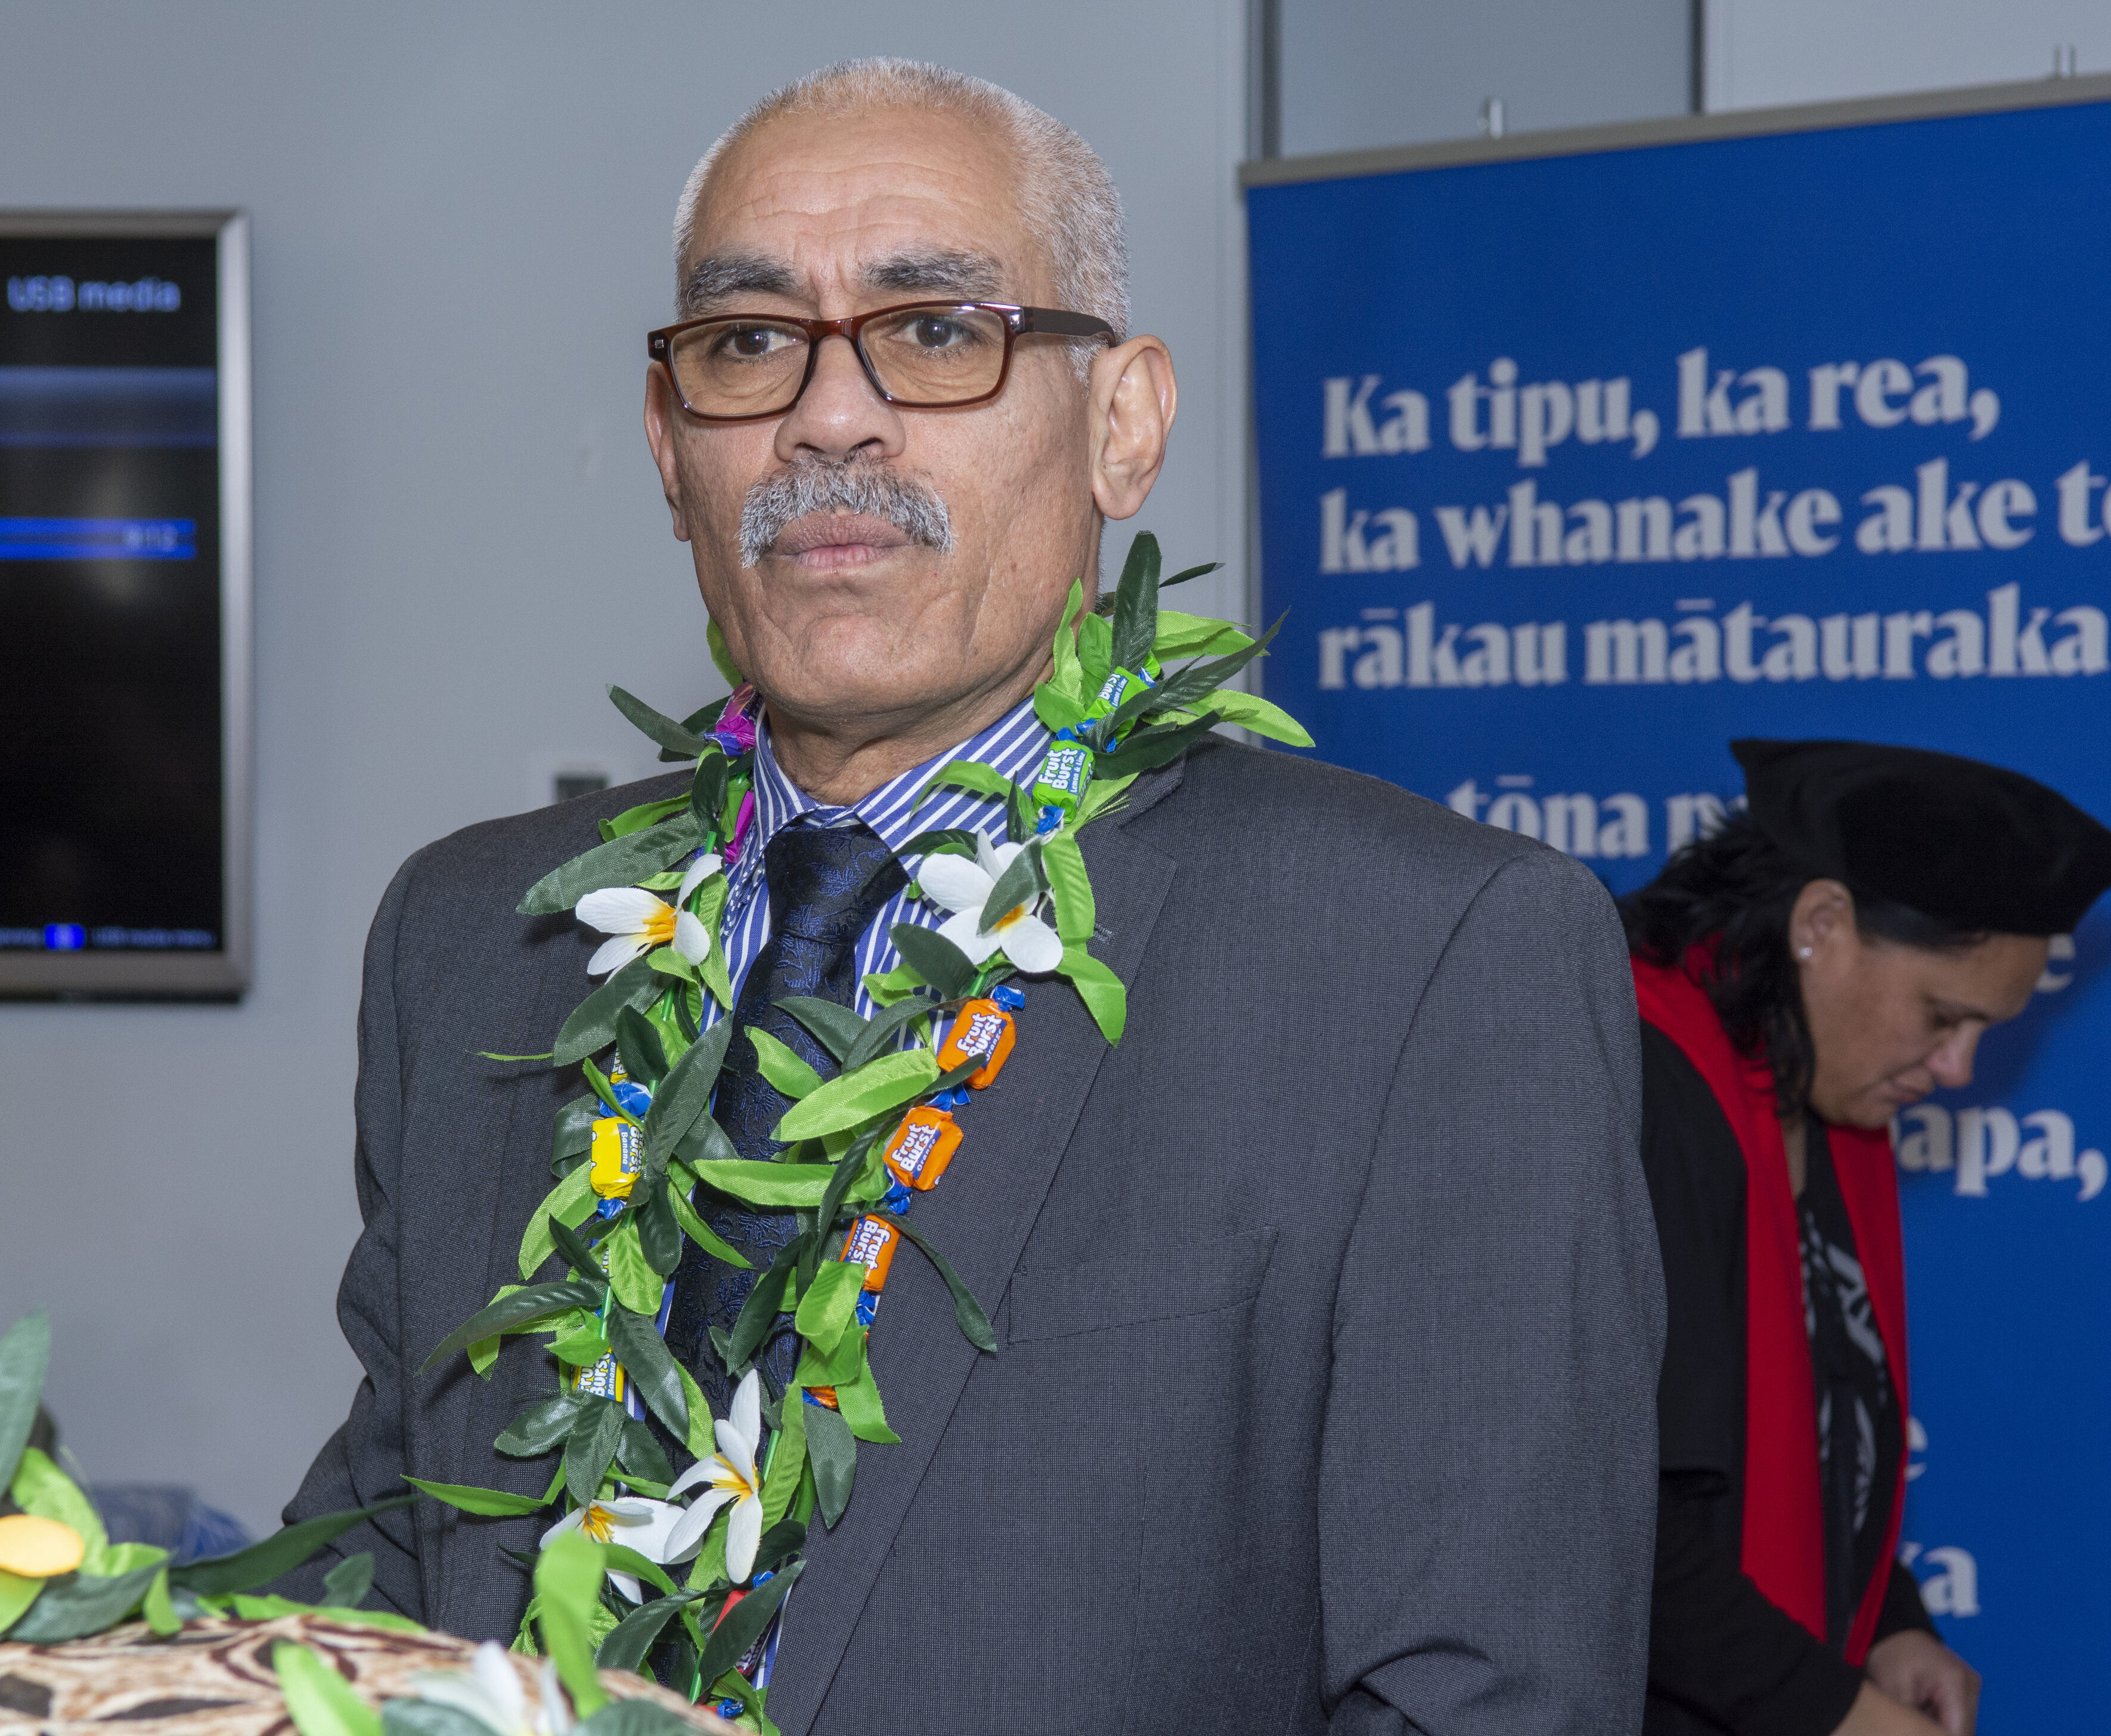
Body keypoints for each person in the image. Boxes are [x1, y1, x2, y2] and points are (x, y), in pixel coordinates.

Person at [276, 60, 1664, 1734]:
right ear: (669, 447)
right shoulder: (475, 940)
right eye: (748, 343)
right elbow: (379, 1579)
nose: (827, 418)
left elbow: (1485, 1698)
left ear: (1123, 424)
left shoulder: (1421, 958)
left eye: (937, 331)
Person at [1620, 739, 2111, 1736]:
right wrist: (1834, 1713)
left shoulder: (1816, 1093)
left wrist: (1890, 1623)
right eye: (1943, 1017)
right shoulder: (1635, 1089)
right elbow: (1609, 1519)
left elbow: (1812, 1435)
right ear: (1822, 925)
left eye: (1984, 1032)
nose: (1958, 1071)